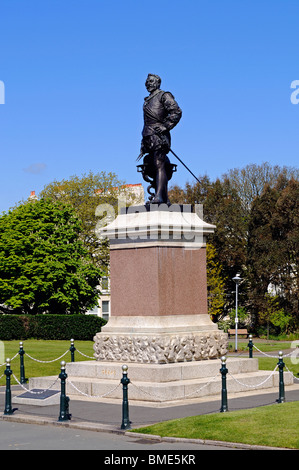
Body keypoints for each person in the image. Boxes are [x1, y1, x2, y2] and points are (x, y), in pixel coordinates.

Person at [138, 74, 182, 204]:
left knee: (159, 163)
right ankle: (163, 196)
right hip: (148, 136)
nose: (148, 84)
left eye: (151, 81)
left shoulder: (164, 95)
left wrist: (165, 126)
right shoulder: (147, 99)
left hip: (159, 136)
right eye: (147, 82)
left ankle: (160, 197)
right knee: (151, 164)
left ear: (158, 83)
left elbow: (176, 112)